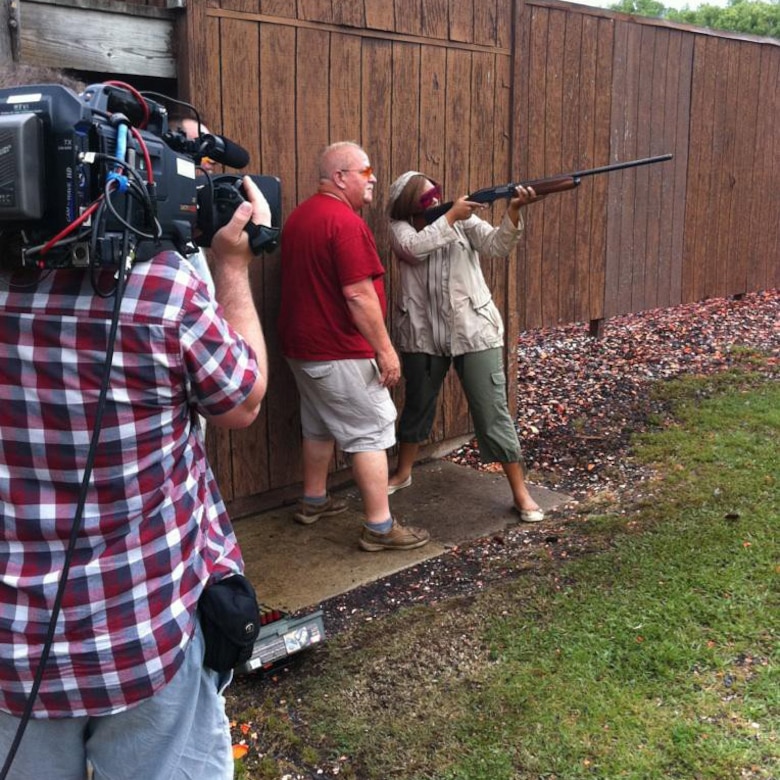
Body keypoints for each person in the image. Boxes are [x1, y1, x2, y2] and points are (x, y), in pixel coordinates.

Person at [0, 66, 272, 779]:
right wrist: (234, 270)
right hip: (141, 633)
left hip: (9, 661)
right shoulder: (157, 284)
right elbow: (241, 401)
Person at [278, 141, 430, 552]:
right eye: (365, 171)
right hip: (338, 350)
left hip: (303, 350)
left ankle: (313, 502)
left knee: (320, 424)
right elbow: (358, 295)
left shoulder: (301, 217)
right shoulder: (343, 223)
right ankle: (380, 528)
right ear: (340, 177)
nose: (373, 178)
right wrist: (384, 349)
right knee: (373, 430)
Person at [386, 171, 545, 522]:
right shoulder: (402, 229)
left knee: (493, 412)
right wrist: (450, 216)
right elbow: (414, 249)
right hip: (422, 334)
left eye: (436, 195)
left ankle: (520, 492)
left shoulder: (462, 219)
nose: (436, 201)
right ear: (410, 205)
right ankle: (402, 473)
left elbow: (497, 246)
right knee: (417, 405)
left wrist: (515, 210)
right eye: (427, 199)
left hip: (475, 331)